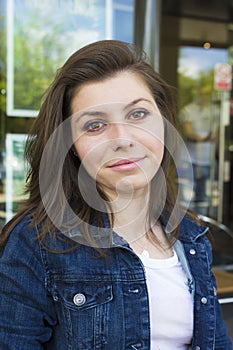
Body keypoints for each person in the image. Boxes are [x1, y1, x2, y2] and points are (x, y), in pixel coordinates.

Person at [0, 40, 232, 350]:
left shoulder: (190, 236)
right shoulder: (35, 243)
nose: (122, 139)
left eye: (137, 114)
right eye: (95, 125)